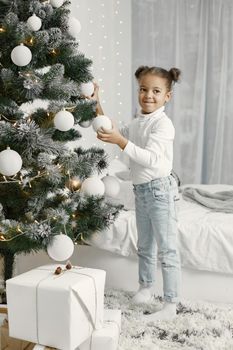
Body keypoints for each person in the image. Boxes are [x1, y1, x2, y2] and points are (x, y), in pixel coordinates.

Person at [93, 66, 181, 321]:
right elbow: (112, 130)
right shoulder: (138, 120)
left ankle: (170, 304)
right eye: (143, 89)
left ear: (167, 96)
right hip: (142, 191)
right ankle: (145, 287)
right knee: (145, 245)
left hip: (160, 191)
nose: (148, 95)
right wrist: (97, 103)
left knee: (167, 249)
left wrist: (121, 141)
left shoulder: (163, 125)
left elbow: (151, 158)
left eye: (156, 91)